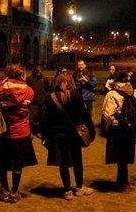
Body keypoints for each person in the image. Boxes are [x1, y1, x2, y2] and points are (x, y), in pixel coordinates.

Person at [41, 72, 96, 200]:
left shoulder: (51, 98)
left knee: (63, 164)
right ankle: (79, 187)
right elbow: (85, 115)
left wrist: (45, 136)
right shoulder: (76, 95)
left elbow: (46, 119)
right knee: (77, 161)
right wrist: (91, 131)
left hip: (58, 135)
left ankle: (67, 190)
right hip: (74, 134)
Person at [0, 64, 37, 204]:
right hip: (21, 131)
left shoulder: (2, 87)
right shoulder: (29, 91)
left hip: (4, 131)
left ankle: (4, 190)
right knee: (18, 164)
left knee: (1, 162)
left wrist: (2, 82)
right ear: (22, 75)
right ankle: (15, 191)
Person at [101, 71, 136, 192]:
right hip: (130, 128)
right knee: (127, 154)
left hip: (118, 127)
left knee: (119, 155)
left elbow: (107, 113)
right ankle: (124, 180)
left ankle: (121, 182)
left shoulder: (112, 94)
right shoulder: (135, 92)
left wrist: (108, 127)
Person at [26, 65, 51, 138]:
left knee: (42, 118)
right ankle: (30, 132)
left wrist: (46, 97)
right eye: (37, 70)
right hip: (33, 102)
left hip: (43, 102)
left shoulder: (44, 78)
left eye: (40, 70)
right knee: (32, 119)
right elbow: (27, 89)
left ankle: (40, 132)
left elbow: (47, 88)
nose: (39, 72)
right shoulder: (30, 79)